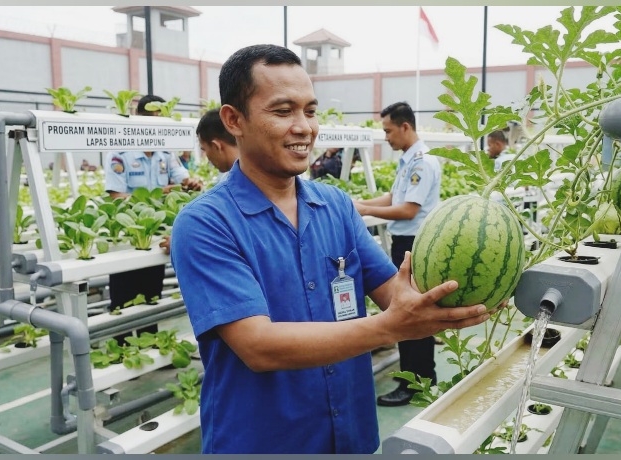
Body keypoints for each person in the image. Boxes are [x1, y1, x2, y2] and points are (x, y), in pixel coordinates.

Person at [170, 44, 492, 454]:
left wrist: (456, 296)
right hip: (262, 441)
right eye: (283, 111)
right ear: (234, 120)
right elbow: (257, 346)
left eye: (310, 110)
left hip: (351, 435)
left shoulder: (335, 206)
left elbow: (392, 290)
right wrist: (391, 326)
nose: (304, 126)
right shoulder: (205, 223)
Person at [353, 101, 442, 407]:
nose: (386, 138)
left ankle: (416, 384)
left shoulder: (422, 163)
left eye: (389, 131)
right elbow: (394, 196)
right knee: (408, 308)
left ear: (405, 127)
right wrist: (361, 202)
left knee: (408, 312)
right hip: (405, 243)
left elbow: (407, 209)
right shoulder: (409, 161)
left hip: (414, 244)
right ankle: (416, 376)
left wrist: (363, 208)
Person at [104, 94, 203, 314]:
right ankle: (121, 343)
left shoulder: (166, 153)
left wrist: (191, 183)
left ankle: (149, 340)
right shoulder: (120, 153)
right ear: (140, 119)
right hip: (129, 238)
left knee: (152, 297)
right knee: (123, 300)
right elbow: (116, 199)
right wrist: (158, 195)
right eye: (153, 120)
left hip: (156, 234)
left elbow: (181, 176)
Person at [159, 109, 240, 255]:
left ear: (216, 146)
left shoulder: (230, 183)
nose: (207, 156)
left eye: (204, 149)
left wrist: (183, 242)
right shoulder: (254, 174)